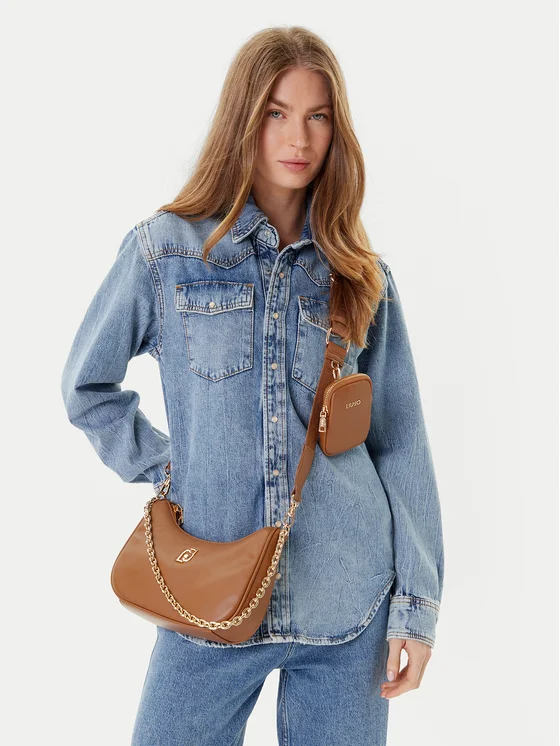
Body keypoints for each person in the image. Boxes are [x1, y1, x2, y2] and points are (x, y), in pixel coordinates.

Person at [60, 25, 444, 746]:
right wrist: (171, 467)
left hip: (348, 600)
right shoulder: (168, 252)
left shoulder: (359, 275)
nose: (298, 137)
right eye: (276, 112)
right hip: (206, 593)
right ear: (244, 117)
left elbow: (400, 442)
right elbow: (88, 386)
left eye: (317, 115)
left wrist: (416, 609)